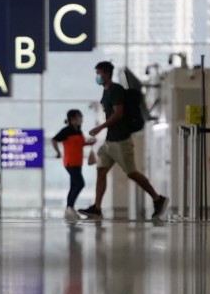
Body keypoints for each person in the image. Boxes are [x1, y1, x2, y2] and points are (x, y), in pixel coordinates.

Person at [79, 61, 168, 221]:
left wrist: (100, 127)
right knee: (101, 171)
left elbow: (118, 113)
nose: (97, 77)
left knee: (132, 173)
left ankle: (158, 199)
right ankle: (97, 208)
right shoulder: (106, 91)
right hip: (109, 141)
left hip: (121, 140)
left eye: (99, 73)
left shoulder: (116, 90)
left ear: (106, 73)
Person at [51, 109, 96, 222]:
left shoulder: (78, 131)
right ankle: (69, 207)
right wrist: (58, 152)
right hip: (70, 162)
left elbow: (79, 144)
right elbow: (54, 140)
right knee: (80, 183)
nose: (80, 120)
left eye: (80, 117)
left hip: (78, 162)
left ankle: (69, 208)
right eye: (78, 118)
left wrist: (88, 143)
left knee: (73, 185)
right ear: (72, 119)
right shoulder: (67, 131)